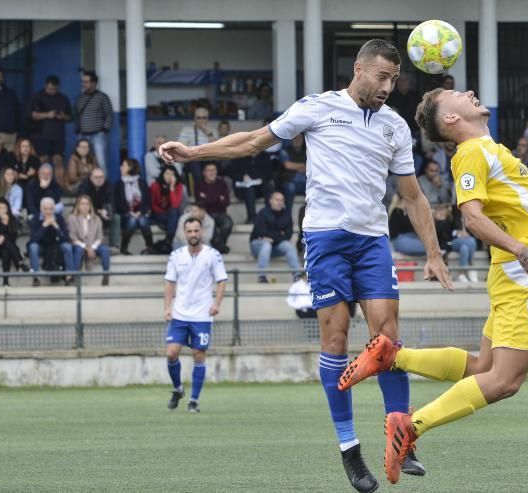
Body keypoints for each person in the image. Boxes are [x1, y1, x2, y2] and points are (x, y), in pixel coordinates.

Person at [159, 39, 453, 493]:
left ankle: (401, 435)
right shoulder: (317, 109)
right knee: (335, 339)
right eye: (381, 76)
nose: (388, 87)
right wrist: (195, 154)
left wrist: (433, 253)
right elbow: (255, 141)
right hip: (326, 241)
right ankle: (349, 449)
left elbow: (413, 196)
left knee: (388, 339)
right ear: (358, 68)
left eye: (394, 79)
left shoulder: (395, 126)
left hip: (372, 242)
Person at [337, 86, 528, 485]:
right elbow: (472, 219)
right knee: (505, 381)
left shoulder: (494, 150)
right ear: (452, 120)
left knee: (483, 368)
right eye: (457, 93)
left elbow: (523, 212)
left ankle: (392, 355)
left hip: (521, 270)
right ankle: (411, 426)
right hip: (521, 274)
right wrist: (520, 251)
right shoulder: (472, 153)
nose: (470, 92)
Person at [164, 216, 228, 414]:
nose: (193, 234)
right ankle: (178, 388)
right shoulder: (176, 256)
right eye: (189, 231)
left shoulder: (213, 255)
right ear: (185, 233)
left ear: (201, 232)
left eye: (196, 231)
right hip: (180, 313)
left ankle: (194, 400)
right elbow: (169, 283)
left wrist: (217, 303)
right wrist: (167, 307)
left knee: (199, 355)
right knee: (171, 352)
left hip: (201, 314)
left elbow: (222, 281)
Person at [249, 191, 301, 283]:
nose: (279, 202)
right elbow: (261, 232)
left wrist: (271, 237)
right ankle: (261, 276)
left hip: (276, 246)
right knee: (266, 245)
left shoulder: (286, 214)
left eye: (281, 200)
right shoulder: (263, 213)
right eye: (277, 200)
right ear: (270, 201)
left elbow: (288, 234)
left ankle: (297, 276)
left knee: (288, 246)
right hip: (257, 245)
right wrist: (279, 234)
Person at [29, 75, 73, 174]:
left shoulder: (63, 98)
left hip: (58, 136)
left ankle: (60, 187)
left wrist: (63, 116)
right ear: (45, 85)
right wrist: (47, 115)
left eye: (54, 89)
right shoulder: (37, 96)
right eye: (50, 89)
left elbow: (70, 117)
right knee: (43, 160)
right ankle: (41, 185)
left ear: (58, 87)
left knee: (58, 161)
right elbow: (33, 115)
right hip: (41, 135)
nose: (52, 91)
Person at [27, 197, 74, 286]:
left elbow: (65, 238)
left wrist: (56, 226)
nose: (48, 211)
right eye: (45, 209)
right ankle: (35, 277)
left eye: (51, 209)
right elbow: (34, 239)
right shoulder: (35, 219)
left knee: (67, 246)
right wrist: (44, 226)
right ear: (41, 209)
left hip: (56, 245)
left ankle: (69, 276)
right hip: (41, 245)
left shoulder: (59, 218)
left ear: (54, 209)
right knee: (33, 247)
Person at [68, 195, 110, 286]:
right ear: (78, 206)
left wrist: (92, 247)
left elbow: (100, 237)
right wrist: (86, 248)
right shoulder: (72, 218)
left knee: (105, 249)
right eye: (82, 204)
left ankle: (106, 275)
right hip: (79, 245)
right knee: (78, 250)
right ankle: (75, 276)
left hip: (93, 245)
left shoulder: (96, 219)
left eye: (87, 204)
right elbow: (72, 237)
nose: (85, 206)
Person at [75, 70, 114, 171]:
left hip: (98, 136)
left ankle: (104, 186)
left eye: (86, 82)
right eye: (83, 82)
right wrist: (78, 129)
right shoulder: (80, 98)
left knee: (100, 163)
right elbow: (77, 115)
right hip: (82, 136)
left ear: (94, 83)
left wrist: (104, 130)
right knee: (83, 163)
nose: (84, 84)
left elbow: (109, 114)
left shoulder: (102, 97)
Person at [115, 158, 153, 255]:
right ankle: (124, 248)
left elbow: (147, 201)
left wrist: (139, 212)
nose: (121, 168)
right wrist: (130, 212)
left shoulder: (141, 182)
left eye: (123, 165)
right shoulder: (119, 184)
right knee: (131, 221)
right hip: (126, 214)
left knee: (143, 220)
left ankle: (150, 247)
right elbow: (118, 203)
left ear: (130, 167)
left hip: (141, 213)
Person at [0, 198, 27, 285]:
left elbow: (13, 238)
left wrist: (4, 234)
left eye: (4, 208)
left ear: (8, 209)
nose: (2, 210)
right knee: (5, 242)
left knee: (6, 250)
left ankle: (5, 281)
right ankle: (20, 262)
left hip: (7, 247)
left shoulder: (12, 219)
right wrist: (4, 224)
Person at [195, 162, 233, 254]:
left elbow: (226, 202)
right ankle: (221, 248)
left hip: (221, 213)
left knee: (228, 223)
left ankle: (219, 246)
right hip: (206, 214)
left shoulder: (222, 183)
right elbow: (201, 203)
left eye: (214, 170)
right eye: (209, 170)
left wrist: (208, 198)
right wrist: (218, 198)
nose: (212, 173)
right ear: (204, 172)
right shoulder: (199, 184)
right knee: (213, 229)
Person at [178, 107, 218, 191]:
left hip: (209, 158)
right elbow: (180, 147)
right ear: (194, 119)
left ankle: (212, 191)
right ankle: (201, 193)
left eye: (204, 118)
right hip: (193, 159)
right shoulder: (186, 130)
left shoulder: (213, 131)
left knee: (213, 167)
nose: (201, 120)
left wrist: (209, 134)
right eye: (199, 118)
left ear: (207, 119)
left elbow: (217, 147)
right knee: (196, 169)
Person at [79, 168, 120, 250]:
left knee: (116, 217)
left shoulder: (109, 186)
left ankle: (114, 245)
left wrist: (108, 212)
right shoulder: (84, 186)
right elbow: (83, 205)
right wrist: (98, 211)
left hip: (104, 213)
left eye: (101, 177)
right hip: (89, 213)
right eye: (96, 177)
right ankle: (91, 245)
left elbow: (112, 203)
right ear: (91, 178)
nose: (99, 179)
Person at [150, 165, 185, 250]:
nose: (169, 177)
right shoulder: (155, 186)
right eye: (167, 174)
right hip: (158, 214)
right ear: (162, 174)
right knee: (174, 218)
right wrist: (163, 212)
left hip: (172, 214)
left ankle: (168, 241)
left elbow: (175, 205)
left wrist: (172, 188)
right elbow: (152, 205)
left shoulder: (178, 186)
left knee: (174, 212)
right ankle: (168, 241)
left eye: (172, 174)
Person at [278, 133, 307, 214]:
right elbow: (287, 165)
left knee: (314, 186)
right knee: (290, 188)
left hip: (304, 181)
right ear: (291, 140)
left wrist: (296, 167)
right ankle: (287, 216)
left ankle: (311, 215)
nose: (297, 140)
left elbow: (311, 166)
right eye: (295, 138)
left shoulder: (308, 150)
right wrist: (302, 166)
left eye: (299, 138)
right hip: (290, 180)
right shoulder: (285, 150)